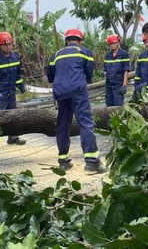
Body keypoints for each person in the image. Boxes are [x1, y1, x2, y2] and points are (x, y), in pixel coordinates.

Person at [45, 28, 107, 173]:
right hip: (78, 91)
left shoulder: (56, 55)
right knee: (85, 123)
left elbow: (50, 76)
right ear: (80, 40)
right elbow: (89, 73)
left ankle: (63, 161)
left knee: (63, 125)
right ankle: (92, 162)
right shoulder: (85, 52)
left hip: (60, 92)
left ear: (66, 41)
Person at [103, 34, 130, 106]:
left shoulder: (124, 54)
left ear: (117, 43)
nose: (112, 45)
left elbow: (126, 70)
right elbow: (105, 69)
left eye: (114, 43)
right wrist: (104, 72)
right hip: (109, 85)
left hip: (118, 85)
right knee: (109, 105)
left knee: (118, 106)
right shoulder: (107, 56)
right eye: (110, 44)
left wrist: (124, 85)